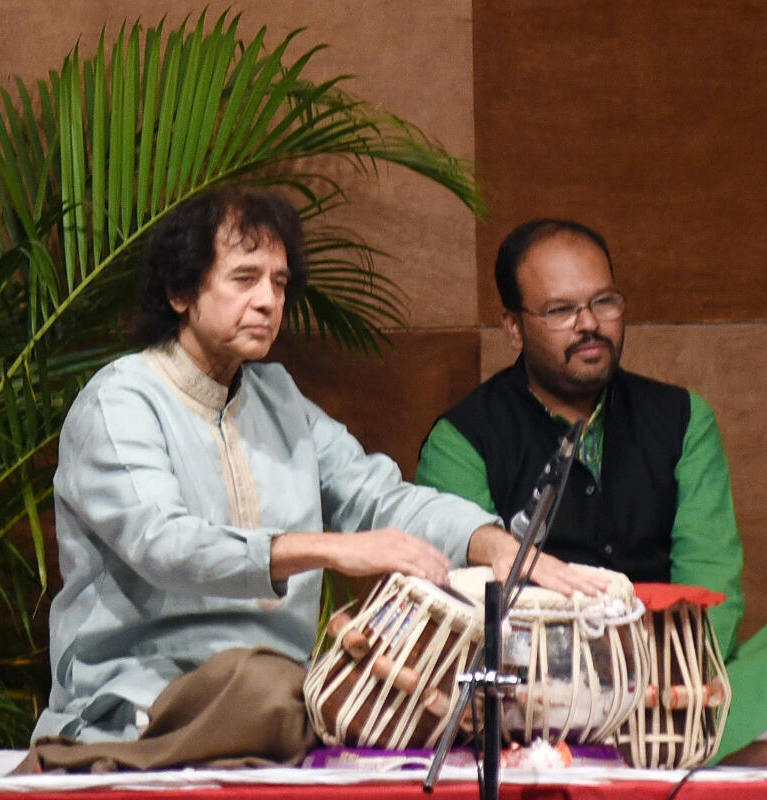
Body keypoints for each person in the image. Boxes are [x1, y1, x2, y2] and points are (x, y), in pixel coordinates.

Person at [35, 189, 605, 749]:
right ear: (182, 292)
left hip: (275, 691)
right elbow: (162, 543)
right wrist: (330, 549)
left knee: (420, 686)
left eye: (279, 283)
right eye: (245, 278)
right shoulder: (121, 401)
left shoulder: (276, 398)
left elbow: (378, 497)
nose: (267, 300)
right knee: (271, 687)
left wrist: (493, 545)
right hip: (139, 695)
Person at [416, 219, 767, 765]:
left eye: (603, 302)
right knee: (472, 703)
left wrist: (666, 682)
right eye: (561, 311)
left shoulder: (682, 419)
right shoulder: (462, 439)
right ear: (514, 327)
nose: (589, 325)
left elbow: (712, 580)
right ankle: (720, 756)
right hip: (538, 693)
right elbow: (465, 605)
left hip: (670, 680)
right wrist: (585, 679)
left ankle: (629, 756)